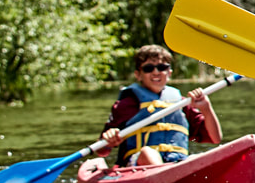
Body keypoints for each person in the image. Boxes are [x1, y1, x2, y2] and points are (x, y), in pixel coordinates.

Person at [92, 45, 221, 168]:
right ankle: (166, 179)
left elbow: (215, 138)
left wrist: (206, 109)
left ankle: (172, 177)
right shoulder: (127, 104)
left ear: (169, 72)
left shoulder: (181, 103)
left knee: (201, 157)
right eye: (149, 68)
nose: (156, 72)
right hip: (138, 165)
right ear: (138, 74)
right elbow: (102, 151)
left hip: (177, 162)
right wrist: (108, 140)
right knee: (148, 153)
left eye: (161, 67)